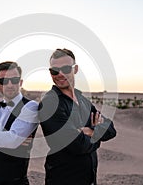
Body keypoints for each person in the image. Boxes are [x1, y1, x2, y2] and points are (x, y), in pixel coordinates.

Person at [38, 48, 116, 185]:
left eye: (66, 69)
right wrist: (98, 136)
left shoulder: (83, 101)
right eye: (55, 71)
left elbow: (111, 130)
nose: (60, 74)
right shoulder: (50, 104)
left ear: (75, 69)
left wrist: (89, 132)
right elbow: (78, 146)